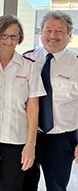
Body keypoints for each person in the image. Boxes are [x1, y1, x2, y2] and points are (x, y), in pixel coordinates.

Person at [0, 15, 45, 191]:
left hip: (16, 140)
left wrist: (31, 144)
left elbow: (33, 107)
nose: (8, 40)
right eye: (4, 35)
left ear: (20, 38)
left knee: (11, 187)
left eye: (13, 36)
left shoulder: (30, 67)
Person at [22, 11, 78, 191]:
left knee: (56, 187)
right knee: (25, 184)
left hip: (61, 140)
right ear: (41, 33)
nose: (53, 36)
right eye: (48, 30)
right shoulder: (27, 59)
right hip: (26, 135)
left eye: (60, 31)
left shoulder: (76, 64)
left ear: (70, 35)